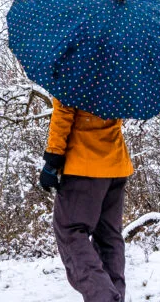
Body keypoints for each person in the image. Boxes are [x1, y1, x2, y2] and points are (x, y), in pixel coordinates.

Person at [39, 96, 133, 302]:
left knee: (70, 230)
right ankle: (114, 296)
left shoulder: (74, 76)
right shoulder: (120, 78)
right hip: (116, 164)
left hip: (84, 165)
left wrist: (52, 159)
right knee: (109, 236)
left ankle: (104, 298)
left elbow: (64, 111)